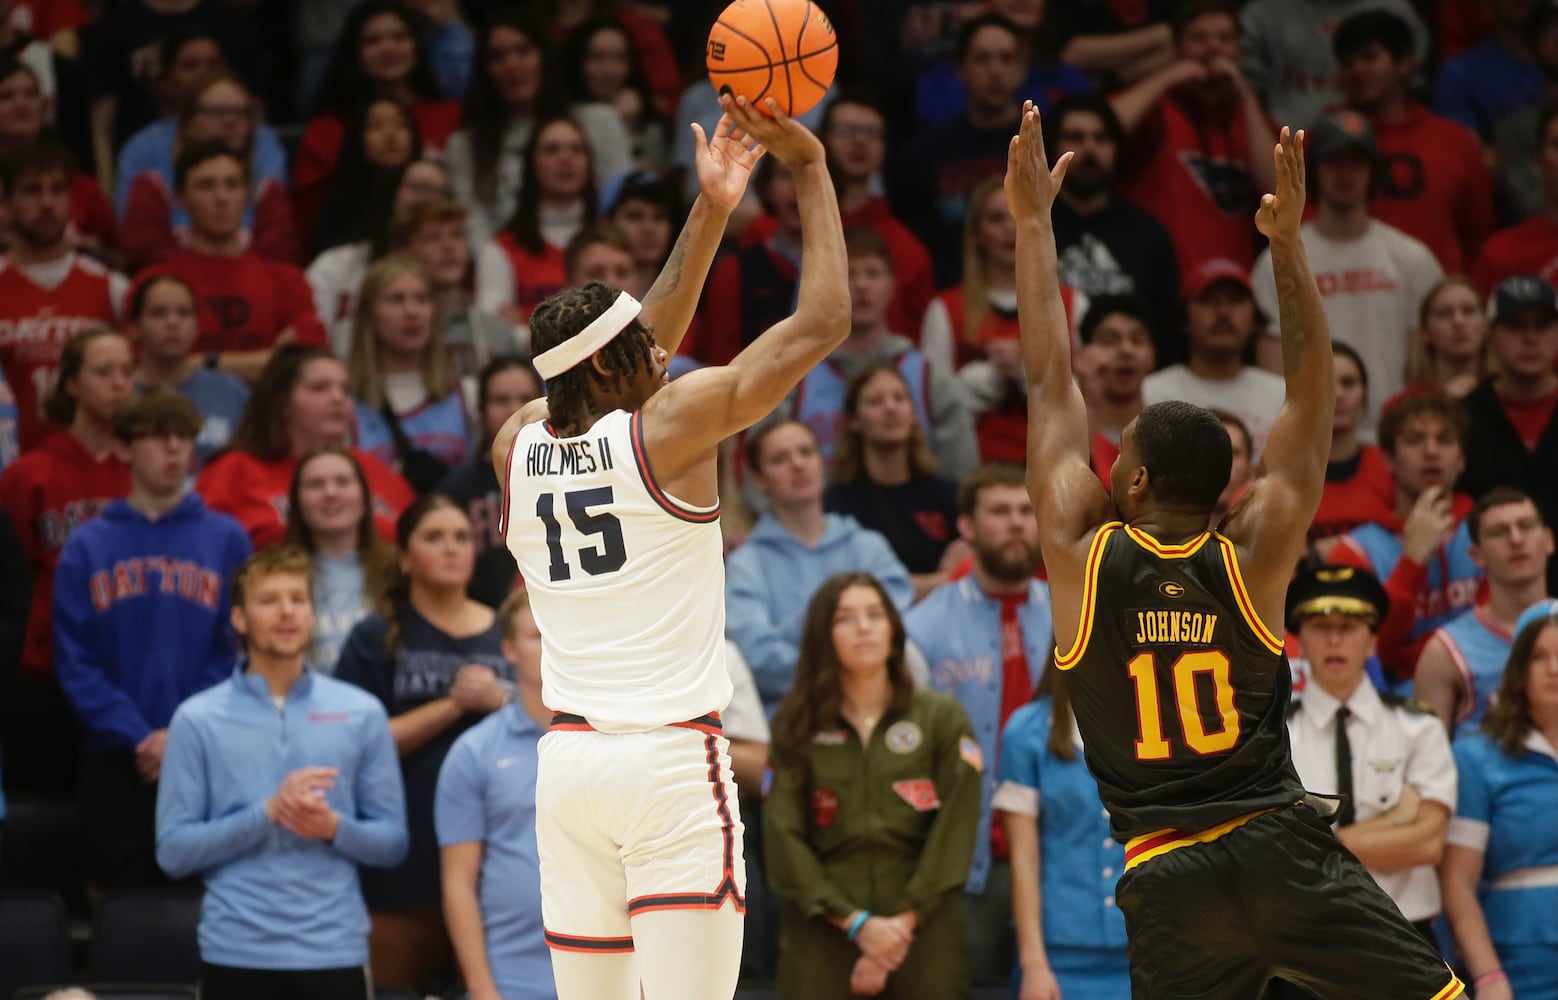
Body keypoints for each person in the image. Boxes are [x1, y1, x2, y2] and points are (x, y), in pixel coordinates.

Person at [1007, 101, 1463, 996]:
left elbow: (1047, 377)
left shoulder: (1078, 547)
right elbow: (1310, 405)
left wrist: (1032, 224)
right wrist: (1288, 249)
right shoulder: (1253, 555)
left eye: (1122, 446)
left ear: (1133, 484)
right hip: (1278, 853)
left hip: (1166, 876)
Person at [490, 94, 849, 999]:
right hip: (668, 765)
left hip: (569, 768)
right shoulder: (670, 429)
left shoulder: (518, 441)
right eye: (648, 349)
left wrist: (714, 205)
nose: (666, 352)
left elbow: (617, 348)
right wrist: (806, 167)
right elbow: (823, 325)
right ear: (615, 368)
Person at [155, 544, 409, 1000]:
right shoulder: (197, 719)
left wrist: (332, 827)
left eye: (298, 599)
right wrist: (268, 812)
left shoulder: (361, 712)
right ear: (239, 619)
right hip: (235, 951)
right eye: (269, 600)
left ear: (312, 614)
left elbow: (392, 843)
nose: (286, 612)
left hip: (335, 951)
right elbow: (173, 851)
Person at [53, 386, 250, 890]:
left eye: (184, 438)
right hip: (115, 755)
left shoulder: (226, 538)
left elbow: (235, 647)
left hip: (203, 748)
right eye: (157, 437)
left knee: (199, 897)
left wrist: (177, 733)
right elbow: (75, 659)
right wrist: (139, 736)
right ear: (123, 449)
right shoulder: (87, 544)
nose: (173, 450)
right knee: (114, 898)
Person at [764, 573, 982, 1000]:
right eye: (845, 618)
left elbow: (955, 831)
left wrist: (898, 927)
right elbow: (782, 836)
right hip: (824, 928)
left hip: (923, 925)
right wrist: (857, 925)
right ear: (823, 636)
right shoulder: (796, 724)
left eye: (875, 614)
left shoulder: (941, 718)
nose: (863, 627)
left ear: (893, 629)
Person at [335, 494, 514, 991]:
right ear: (405, 557)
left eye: (461, 537)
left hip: (498, 859)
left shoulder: (511, 631)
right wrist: (453, 705)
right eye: (433, 537)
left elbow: (546, 730)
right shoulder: (375, 636)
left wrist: (501, 700)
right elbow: (352, 748)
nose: (451, 548)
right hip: (402, 861)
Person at [903, 462, 1053, 985]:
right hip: (967, 857)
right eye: (1000, 512)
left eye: (1026, 512)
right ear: (965, 526)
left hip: (1057, 849)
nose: (1017, 524)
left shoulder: (1070, 615)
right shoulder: (921, 629)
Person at [1283, 564, 1456, 950]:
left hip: (1405, 935)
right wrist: (1394, 821)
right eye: (1319, 627)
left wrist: (1325, 842)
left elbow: (1427, 843)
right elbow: (1280, 856)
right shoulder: (1278, 738)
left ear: (1372, 641)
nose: (1334, 640)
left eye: (1349, 627)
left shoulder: (1416, 728)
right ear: (1300, 640)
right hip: (1311, 942)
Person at [1249, 112, 1444, 430]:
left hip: (1394, 436)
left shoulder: (1413, 260)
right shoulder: (1279, 258)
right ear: (1313, 170)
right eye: (1333, 161)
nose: (1345, 173)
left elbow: (1425, 361)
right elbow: (1272, 365)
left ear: (1373, 171)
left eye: (1356, 162)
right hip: (1310, 439)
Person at [0, 327, 132, 796]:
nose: (119, 384)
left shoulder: (139, 472)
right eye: (103, 372)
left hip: (122, 677)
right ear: (71, 384)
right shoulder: (29, 474)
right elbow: (9, 578)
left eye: (126, 372)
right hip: (41, 675)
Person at [726, 419, 914, 716]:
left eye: (806, 452)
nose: (797, 464)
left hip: (881, 715)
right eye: (780, 459)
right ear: (759, 479)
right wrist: (852, 655)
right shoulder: (746, 564)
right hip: (794, 724)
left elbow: (901, 634)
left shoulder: (867, 546)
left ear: (821, 462)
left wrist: (789, 630)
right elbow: (757, 661)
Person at [435, 587, 557, 1000]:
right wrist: (482, 989)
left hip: (609, 980)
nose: (552, 644)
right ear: (508, 650)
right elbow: (458, 884)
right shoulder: (474, 752)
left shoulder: (611, 743)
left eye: (560, 631)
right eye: (537, 636)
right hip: (509, 983)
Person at [1439, 600, 1558, 1000]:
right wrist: (1489, 978)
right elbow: (1458, 882)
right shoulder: (1477, 758)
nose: (1554, 669)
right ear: (1519, 671)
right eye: (1540, 657)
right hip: (1521, 968)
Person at [1109, 0, 1276, 284]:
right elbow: (1100, 127)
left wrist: (1245, 96)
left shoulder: (1251, 120)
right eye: (1199, 38)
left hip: (1235, 290)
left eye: (1224, 39)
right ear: (1177, 48)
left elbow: (1280, 189)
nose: (1213, 49)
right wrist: (1168, 76)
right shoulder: (1156, 111)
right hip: (1162, 284)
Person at [995, 665, 1131, 1000]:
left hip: (1146, 948)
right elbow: (1024, 859)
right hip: (1057, 954)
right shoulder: (1025, 731)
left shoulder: (1157, 725)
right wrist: (1034, 964)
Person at [195, 345, 414, 549]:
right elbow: (202, 552)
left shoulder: (376, 471)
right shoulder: (233, 471)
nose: (338, 398)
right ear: (282, 404)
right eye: (319, 388)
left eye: (346, 390)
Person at [1331, 390, 1481, 688]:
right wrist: (1411, 561)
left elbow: (1507, 633)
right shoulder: (1355, 552)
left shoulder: (1490, 530)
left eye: (1445, 440)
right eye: (1414, 441)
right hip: (1396, 709)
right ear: (1387, 458)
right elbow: (1360, 652)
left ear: (1461, 459)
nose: (1431, 451)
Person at [149, 142, 329, 383]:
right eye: (206, 185)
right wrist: (269, 359)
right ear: (180, 199)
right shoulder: (154, 283)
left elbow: (307, 362)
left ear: (248, 196)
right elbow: (149, 370)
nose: (221, 198)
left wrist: (206, 362)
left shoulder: (287, 281)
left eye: (232, 185)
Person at [1330, 10, 1493, 275]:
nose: (1357, 70)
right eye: (1347, 62)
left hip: (1438, 300)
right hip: (1351, 292)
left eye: (1369, 56)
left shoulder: (1454, 142)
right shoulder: (1324, 143)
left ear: (1405, 62)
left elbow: (1477, 235)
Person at [0, 140, 126, 453]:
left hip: (93, 467)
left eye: (57, 190)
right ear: (6, 204)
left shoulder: (113, 288)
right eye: (32, 191)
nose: (47, 203)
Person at [119, 71, 297, 270]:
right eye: (216, 112)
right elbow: (146, 261)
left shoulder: (267, 190)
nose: (231, 121)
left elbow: (277, 265)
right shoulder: (154, 187)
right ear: (187, 123)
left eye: (241, 112)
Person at [1415, 489, 1553, 736]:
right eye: (1499, 532)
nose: (1516, 540)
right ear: (1476, 556)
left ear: (1549, 540)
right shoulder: (1446, 650)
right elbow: (1427, 758)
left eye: (1526, 526)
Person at [1044, 92, 1181, 338]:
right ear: (1051, 147)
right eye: (1075, 137)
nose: (1089, 148)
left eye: (1101, 138)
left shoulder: (1147, 234)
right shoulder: (1032, 226)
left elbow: (1166, 326)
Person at [823, 365, 964, 598]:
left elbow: (973, 577)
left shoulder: (949, 496)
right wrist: (944, 580)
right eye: (875, 402)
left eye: (900, 398)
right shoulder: (836, 504)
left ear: (914, 414)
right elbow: (853, 588)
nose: (891, 408)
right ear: (853, 421)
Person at [1456, 275, 1558, 593]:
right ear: (1490, 335)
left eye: (1542, 325)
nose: (1530, 338)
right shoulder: (1461, 418)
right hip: (1487, 595)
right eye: (1515, 325)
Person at [346, 256, 470, 491]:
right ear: (369, 315)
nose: (412, 312)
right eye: (396, 300)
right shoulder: (344, 402)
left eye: (421, 299)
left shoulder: (467, 395)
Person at [308, 158, 453, 355]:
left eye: (439, 192)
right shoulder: (336, 264)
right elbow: (310, 342)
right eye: (418, 187)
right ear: (391, 191)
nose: (428, 199)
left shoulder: (447, 270)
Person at [1142, 259, 1283, 457]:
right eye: (1208, 300)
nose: (1223, 312)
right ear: (1184, 317)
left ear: (1255, 316)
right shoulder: (1150, 394)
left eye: (1235, 300)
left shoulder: (1281, 397)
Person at [282, 446, 397, 674]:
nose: (330, 493)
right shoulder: (276, 576)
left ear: (365, 498)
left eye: (343, 482)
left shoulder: (400, 570)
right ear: (297, 505)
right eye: (316, 485)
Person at [438, 356, 538, 608]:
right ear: (480, 410)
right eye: (500, 400)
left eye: (526, 399)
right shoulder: (454, 492)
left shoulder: (572, 479)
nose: (514, 410)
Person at [129, 273, 249, 469]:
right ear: (134, 328)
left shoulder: (233, 392)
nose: (172, 322)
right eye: (159, 313)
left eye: (184, 313)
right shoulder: (119, 394)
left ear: (196, 327)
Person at [1311, 343, 1396, 550]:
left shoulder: (1392, 467)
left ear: (1364, 393)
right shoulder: (1285, 474)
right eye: (1326, 383)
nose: (1338, 394)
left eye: (1348, 383)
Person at [1405, 276, 1492, 401]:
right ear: (1426, 332)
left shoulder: (1506, 398)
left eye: (1468, 311)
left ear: (1485, 326)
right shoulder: (1405, 404)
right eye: (1444, 314)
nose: (1458, 321)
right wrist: (1442, 402)